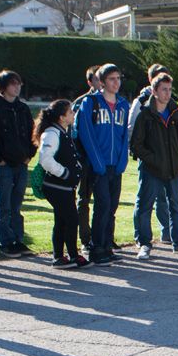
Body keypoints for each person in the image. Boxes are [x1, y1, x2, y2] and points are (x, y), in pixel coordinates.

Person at [130, 73, 178, 259]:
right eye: (164, 90)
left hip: (173, 169)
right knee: (145, 205)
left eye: (169, 89)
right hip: (151, 170)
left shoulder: (175, 113)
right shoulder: (145, 115)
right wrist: (153, 160)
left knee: (175, 205)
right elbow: (137, 144)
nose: (167, 94)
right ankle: (144, 243)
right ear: (154, 91)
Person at [75, 63, 130, 265]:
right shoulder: (91, 103)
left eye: (118, 78)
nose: (116, 83)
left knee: (112, 206)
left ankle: (107, 245)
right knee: (102, 205)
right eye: (112, 79)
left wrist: (122, 159)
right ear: (102, 82)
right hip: (98, 165)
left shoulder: (123, 105)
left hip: (116, 165)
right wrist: (97, 161)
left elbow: (124, 135)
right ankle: (96, 247)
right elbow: (85, 132)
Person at [0, 70, 36, 258]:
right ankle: (6, 242)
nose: (17, 87)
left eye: (19, 84)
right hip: (4, 165)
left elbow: (32, 132)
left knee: (17, 204)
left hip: (21, 163)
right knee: (4, 204)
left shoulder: (22, 108)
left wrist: (30, 154)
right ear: (3, 87)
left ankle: (17, 239)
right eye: (13, 84)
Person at [35, 99, 89, 269]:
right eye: (70, 112)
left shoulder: (63, 131)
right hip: (57, 187)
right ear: (61, 117)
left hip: (65, 187)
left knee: (62, 220)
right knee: (71, 220)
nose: (73, 114)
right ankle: (69, 255)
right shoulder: (52, 133)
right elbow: (45, 160)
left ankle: (60, 256)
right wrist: (65, 173)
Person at [128, 63, 173, 245]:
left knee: (164, 199)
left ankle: (167, 232)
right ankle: (141, 237)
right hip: (148, 159)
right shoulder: (141, 101)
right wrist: (143, 154)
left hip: (166, 160)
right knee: (145, 200)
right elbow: (132, 128)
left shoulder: (171, 101)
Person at [72, 65, 102, 255]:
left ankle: (103, 237)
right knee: (84, 200)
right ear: (90, 82)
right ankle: (86, 238)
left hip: (104, 160)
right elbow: (76, 134)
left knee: (104, 200)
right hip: (85, 160)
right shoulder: (82, 103)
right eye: (98, 79)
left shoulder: (111, 101)